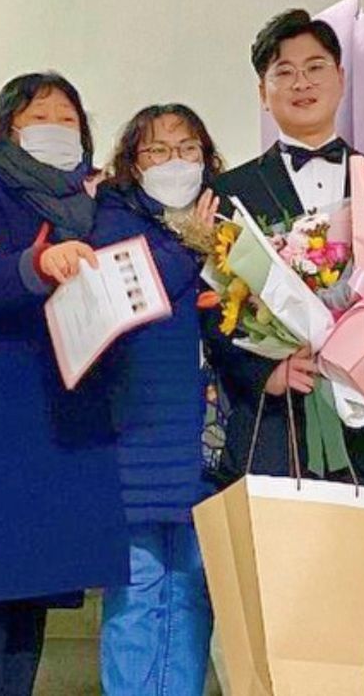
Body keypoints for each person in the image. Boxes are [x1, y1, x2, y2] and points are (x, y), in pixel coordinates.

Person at [204, 9, 364, 695]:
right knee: (276, 613)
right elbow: (212, 311)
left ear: (341, 79)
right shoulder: (231, 195)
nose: (300, 83)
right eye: (282, 73)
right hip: (277, 430)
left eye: (314, 68)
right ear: (263, 92)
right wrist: (266, 370)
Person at [0, 72, 129, 696]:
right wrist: (34, 266)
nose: (57, 130)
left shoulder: (88, 203)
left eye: (69, 119)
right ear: (6, 127)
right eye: (40, 117)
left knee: (34, 580)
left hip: (57, 411)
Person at [90, 105, 222, 696]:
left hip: (208, 442)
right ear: (131, 162)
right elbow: (133, 292)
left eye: (187, 148)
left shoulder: (229, 218)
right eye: (157, 151)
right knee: (138, 591)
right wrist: (193, 242)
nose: (174, 161)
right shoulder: (111, 218)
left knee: (193, 594)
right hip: (137, 436)